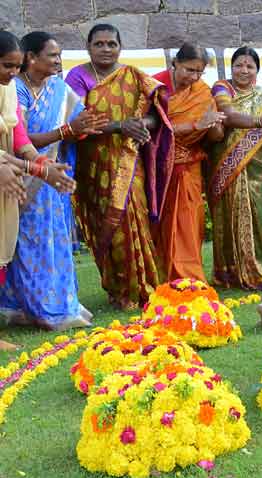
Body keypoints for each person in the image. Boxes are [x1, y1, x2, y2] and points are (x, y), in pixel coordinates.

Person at [68, 24, 174, 309]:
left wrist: (140, 125)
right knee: (105, 225)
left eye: (111, 44)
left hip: (128, 160)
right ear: (88, 47)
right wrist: (121, 126)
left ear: (120, 47)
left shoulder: (133, 75)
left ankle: (141, 286)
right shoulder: (77, 76)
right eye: (99, 44)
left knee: (132, 218)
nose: (105, 49)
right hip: (93, 166)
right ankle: (117, 288)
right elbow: (78, 120)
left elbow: (158, 115)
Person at [0, 31, 88, 331]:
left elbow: (19, 137)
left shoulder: (9, 89)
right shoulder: (17, 88)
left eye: (15, 66)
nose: (12, 73)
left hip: (20, 175)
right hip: (13, 175)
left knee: (14, 245)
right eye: (7, 66)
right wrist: (35, 165)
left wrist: (43, 165)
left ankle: (48, 305)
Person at [208, 47, 262, 290]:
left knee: (256, 216)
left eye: (249, 66)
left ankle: (257, 269)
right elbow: (229, 116)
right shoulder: (221, 88)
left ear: (257, 70)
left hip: (259, 166)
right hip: (226, 164)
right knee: (228, 216)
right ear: (231, 67)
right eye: (239, 65)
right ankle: (228, 272)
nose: (244, 70)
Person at [152, 44, 226, 282]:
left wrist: (214, 125)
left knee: (189, 223)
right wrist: (197, 125)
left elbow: (216, 136)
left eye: (199, 72)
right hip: (159, 166)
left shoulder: (202, 92)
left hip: (190, 166)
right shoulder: (155, 87)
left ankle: (189, 277)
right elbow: (155, 129)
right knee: (160, 223)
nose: (193, 77)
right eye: (188, 70)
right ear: (175, 63)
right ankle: (162, 277)